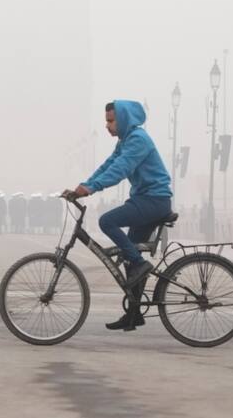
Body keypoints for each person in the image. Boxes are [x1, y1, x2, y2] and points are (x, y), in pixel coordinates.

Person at [65, 100, 172, 331]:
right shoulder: (126, 141)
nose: (107, 125)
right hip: (144, 200)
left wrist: (93, 188)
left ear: (124, 119)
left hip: (155, 201)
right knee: (129, 254)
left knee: (107, 222)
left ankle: (139, 265)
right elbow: (108, 165)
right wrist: (84, 186)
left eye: (111, 120)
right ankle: (133, 314)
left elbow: (121, 169)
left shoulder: (138, 140)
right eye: (106, 121)